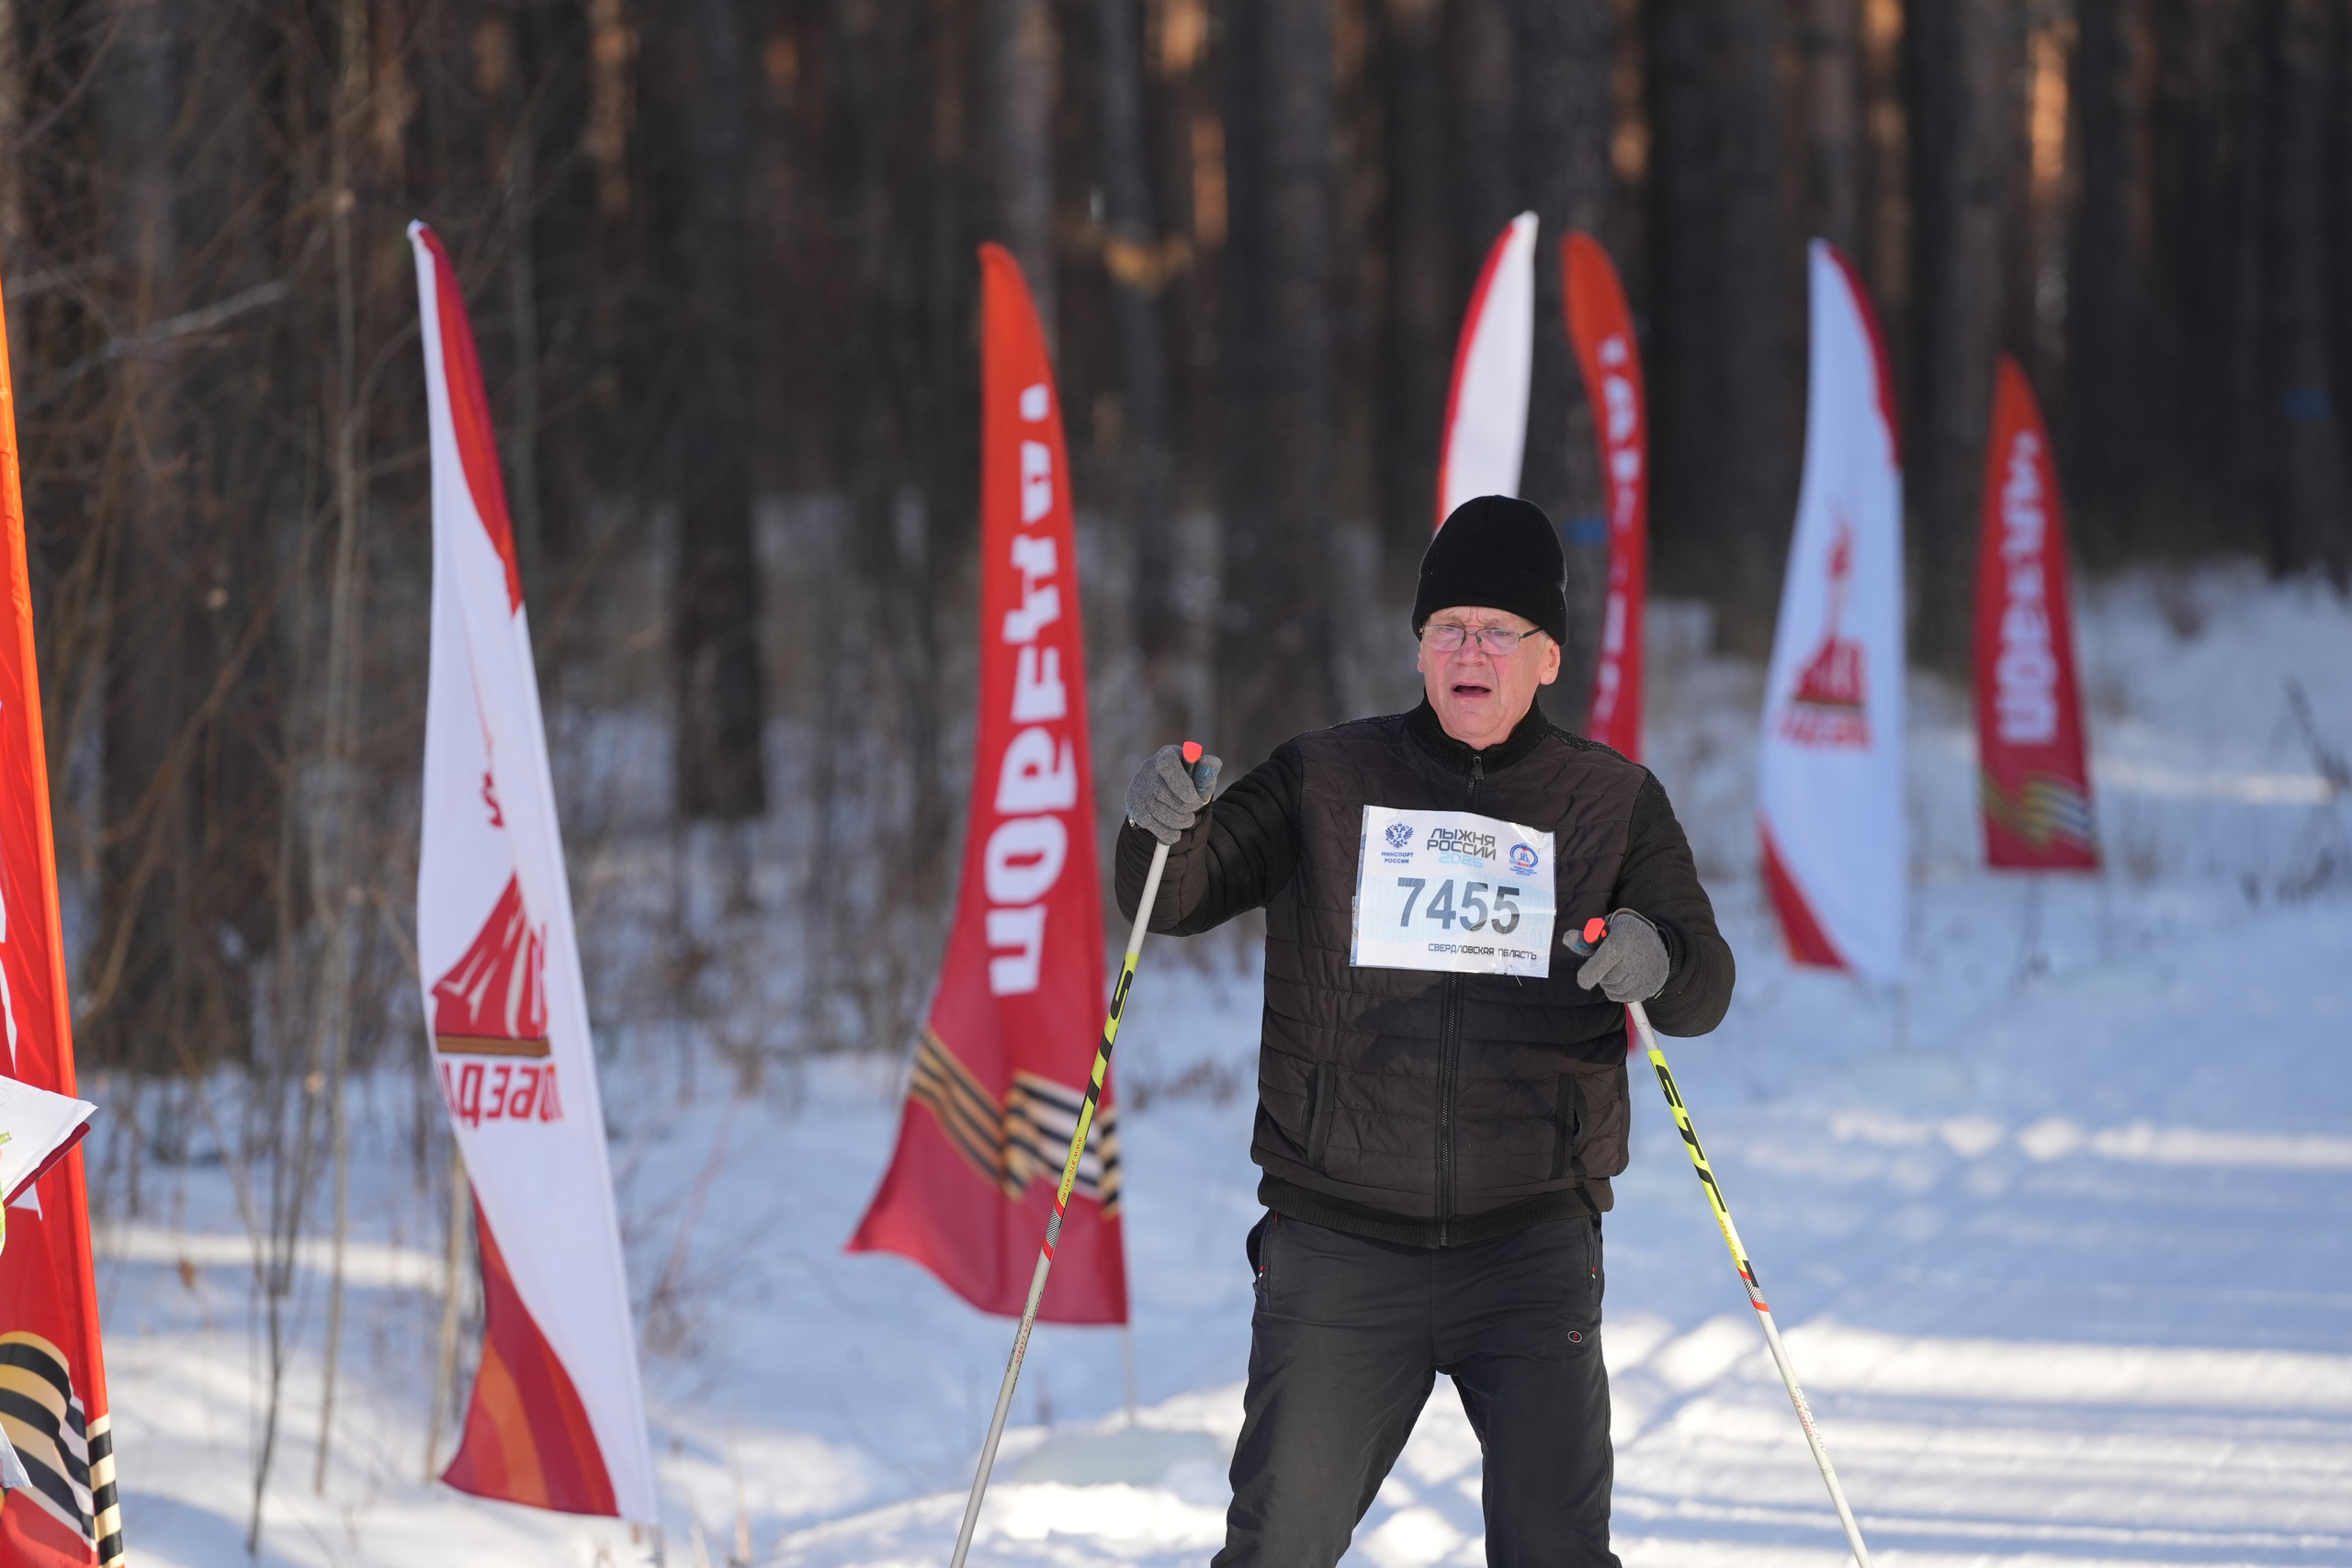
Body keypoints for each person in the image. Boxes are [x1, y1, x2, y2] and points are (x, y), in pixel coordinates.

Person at [1117, 494, 1735, 1567]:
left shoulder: (1610, 801)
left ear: (1548, 658)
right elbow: (1174, 898)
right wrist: (1157, 824)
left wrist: (1654, 955)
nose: (1470, 651)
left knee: (1556, 1554)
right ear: (1416, 650)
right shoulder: (1326, 776)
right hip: (1340, 1245)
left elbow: (1702, 984)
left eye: (1500, 632)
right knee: (1276, 1551)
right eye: (1447, 628)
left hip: (1530, 1248)